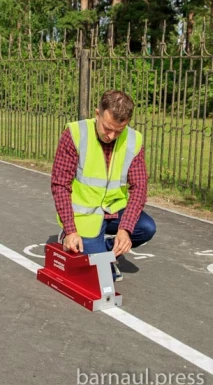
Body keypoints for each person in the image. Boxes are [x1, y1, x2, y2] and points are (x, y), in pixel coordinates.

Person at [51, 90, 156, 281]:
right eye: (107, 128)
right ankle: (69, 238)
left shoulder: (134, 140)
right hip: (84, 216)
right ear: (97, 114)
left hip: (113, 209)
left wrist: (125, 229)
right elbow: (60, 185)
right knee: (97, 277)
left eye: (119, 130)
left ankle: (107, 250)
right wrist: (70, 229)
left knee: (146, 227)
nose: (112, 135)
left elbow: (139, 188)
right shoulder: (75, 134)